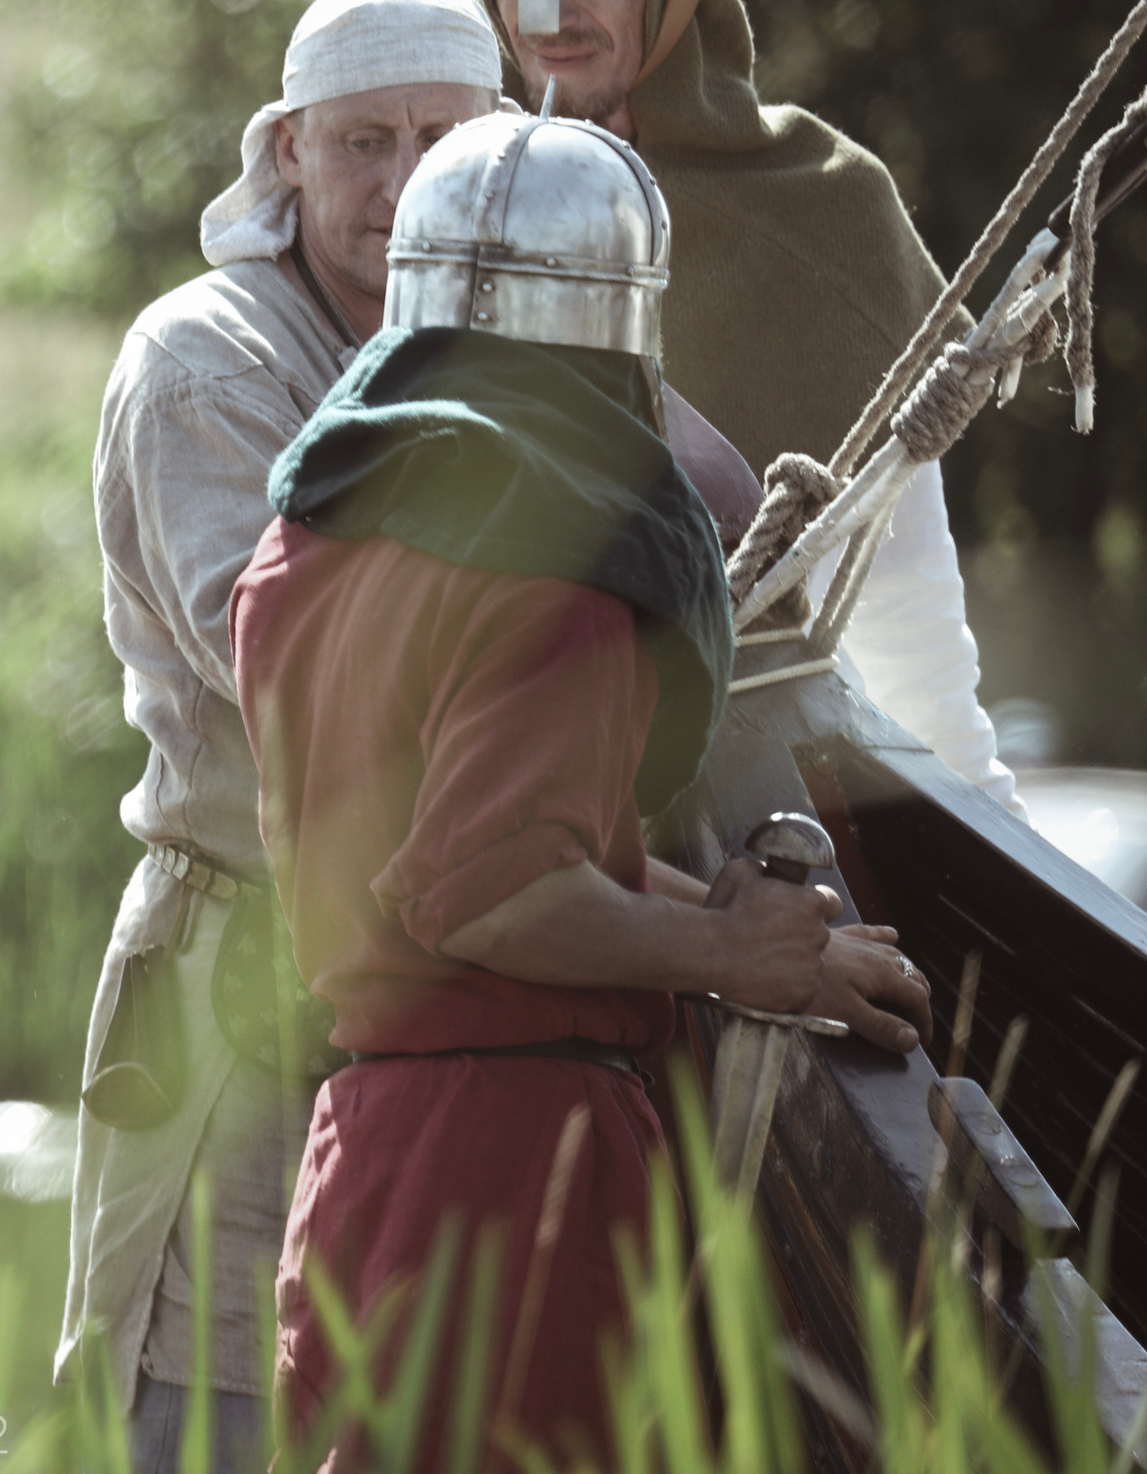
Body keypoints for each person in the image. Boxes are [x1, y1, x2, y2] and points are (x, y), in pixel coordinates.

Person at [59, 0, 762, 1474]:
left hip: (449, 999)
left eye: (437, 143)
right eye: (360, 141)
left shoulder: (501, 348)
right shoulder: (210, 358)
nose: (395, 185)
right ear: (288, 151)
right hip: (257, 972)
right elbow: (309, 684)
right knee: (220, 1409)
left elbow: (707, 508)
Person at [230, 107, 934, 1466]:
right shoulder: (552, 561)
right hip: (520, 1174)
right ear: (621, 326)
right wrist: (728, 950)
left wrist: (754, 940)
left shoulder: (310, 544)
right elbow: (490, 889)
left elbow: (497, 843)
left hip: (365, 1151)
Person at [458, 0, 1021, 812]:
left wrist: (996, 844)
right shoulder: (453, 212)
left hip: (773, 811)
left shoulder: (823, 205)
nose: (545, 13)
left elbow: (911, 633)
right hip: (512, 803)